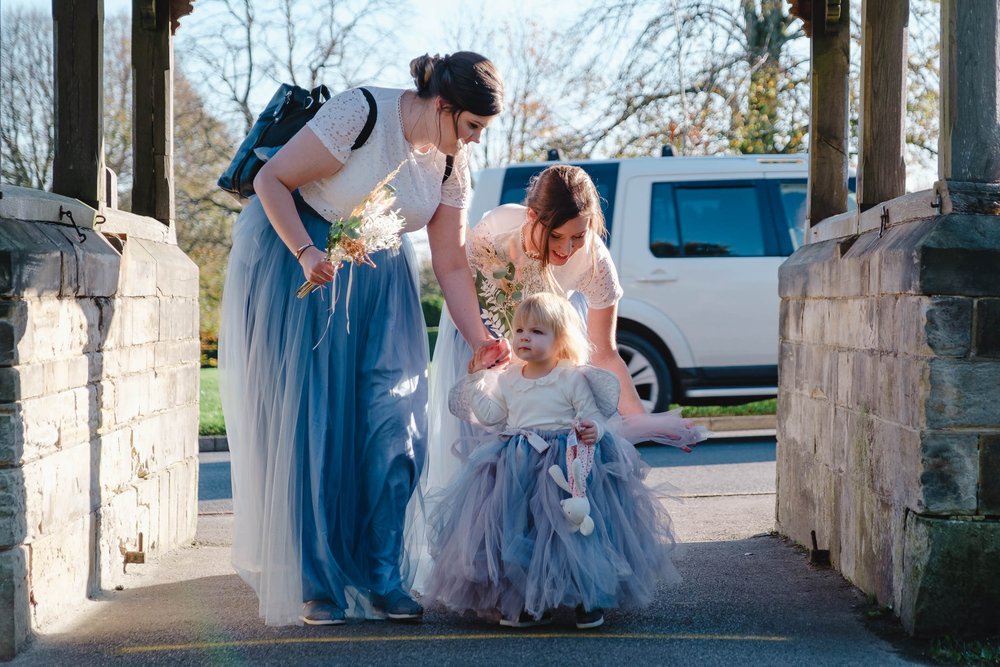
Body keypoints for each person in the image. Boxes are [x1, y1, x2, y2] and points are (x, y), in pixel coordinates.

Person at [219, 52, 509, 627]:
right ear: (444, 107)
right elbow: (269, 179)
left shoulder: (451, 164)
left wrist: (480, 337)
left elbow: (450, 261)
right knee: (317, 426)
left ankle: (383, 577)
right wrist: (306, 252)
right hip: (306, 263)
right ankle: (317, 586)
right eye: (472, 127)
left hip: (384, 288)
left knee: (396, 425)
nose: (475, 141)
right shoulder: (364, 112)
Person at [422, 293, 706, 629]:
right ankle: (529, 600)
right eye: (521, 330)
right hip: (518, 464)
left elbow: (594, 416)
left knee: (574, 533)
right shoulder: (510, 377)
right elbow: (492, 416)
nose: (525, 337)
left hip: (567, 464)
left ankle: (589, 597)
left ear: (560, 340)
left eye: (537, 332)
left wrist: (593, 430)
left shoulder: (571, 377)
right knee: (523, 531)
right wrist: (475, 380)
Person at [426, 164, 658, 493]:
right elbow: (460, 284)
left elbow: (605, 352)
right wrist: (482, 347)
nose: (566, 249)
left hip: (543, 362)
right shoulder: (499, 228)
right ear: (533, 217)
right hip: (478, 341)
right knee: (488, 466)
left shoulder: (594, 262)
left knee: (541, 469)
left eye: (578, 236)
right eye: (557, 237)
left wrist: (642, 423)